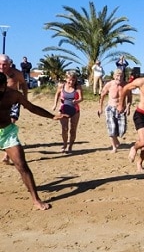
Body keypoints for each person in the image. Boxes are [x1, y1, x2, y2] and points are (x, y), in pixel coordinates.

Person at [0, 72, 66, 210]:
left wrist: (51, 116)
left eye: (2, 88)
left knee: (21, 165)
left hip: (7, 133)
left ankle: (36, 200)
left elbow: (31, 107)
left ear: (5, 85)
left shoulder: (13, 94)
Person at [0, 54, 28, 164]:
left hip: (13, 102)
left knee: (10, 123)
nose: (2, 67)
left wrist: (25, 99)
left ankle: (6, 154)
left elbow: (24, 85)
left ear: (9, 64)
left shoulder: (16, 73)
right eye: (0, 64)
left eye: (5, 64)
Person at [98, 69, 132, 152]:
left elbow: (130, 98)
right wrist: (100, 108)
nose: (119, 77)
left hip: (121, 109)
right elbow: (102, 96)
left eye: (121, 76)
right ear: (114, 76)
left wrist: (128, 107)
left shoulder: (126, 86)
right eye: (117, 75)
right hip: (111, 108)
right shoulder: (109, 84)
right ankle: (114, 147)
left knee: (122, 130)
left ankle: (116, 139)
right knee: (112, 128)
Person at [52, 71, 83, 153]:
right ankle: (65, 144)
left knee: (73, 129)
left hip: (75, 110)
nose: (71, 82)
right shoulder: (61, 86)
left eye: (73, 80)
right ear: (66, 79)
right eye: (69, 80)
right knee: (64, 129)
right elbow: (57, 94)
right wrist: (55, 105)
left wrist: (76, 101)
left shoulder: (78, 87)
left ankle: (70, 146)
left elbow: (81, 98)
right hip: (63, 110)